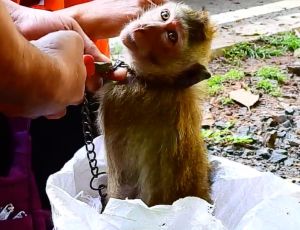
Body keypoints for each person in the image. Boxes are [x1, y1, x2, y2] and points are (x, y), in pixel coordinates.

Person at [0, 1, 165, 229]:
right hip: (43, 86)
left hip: (75, 72)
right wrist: (80, 18)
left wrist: (18, 17)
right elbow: (14, 75)